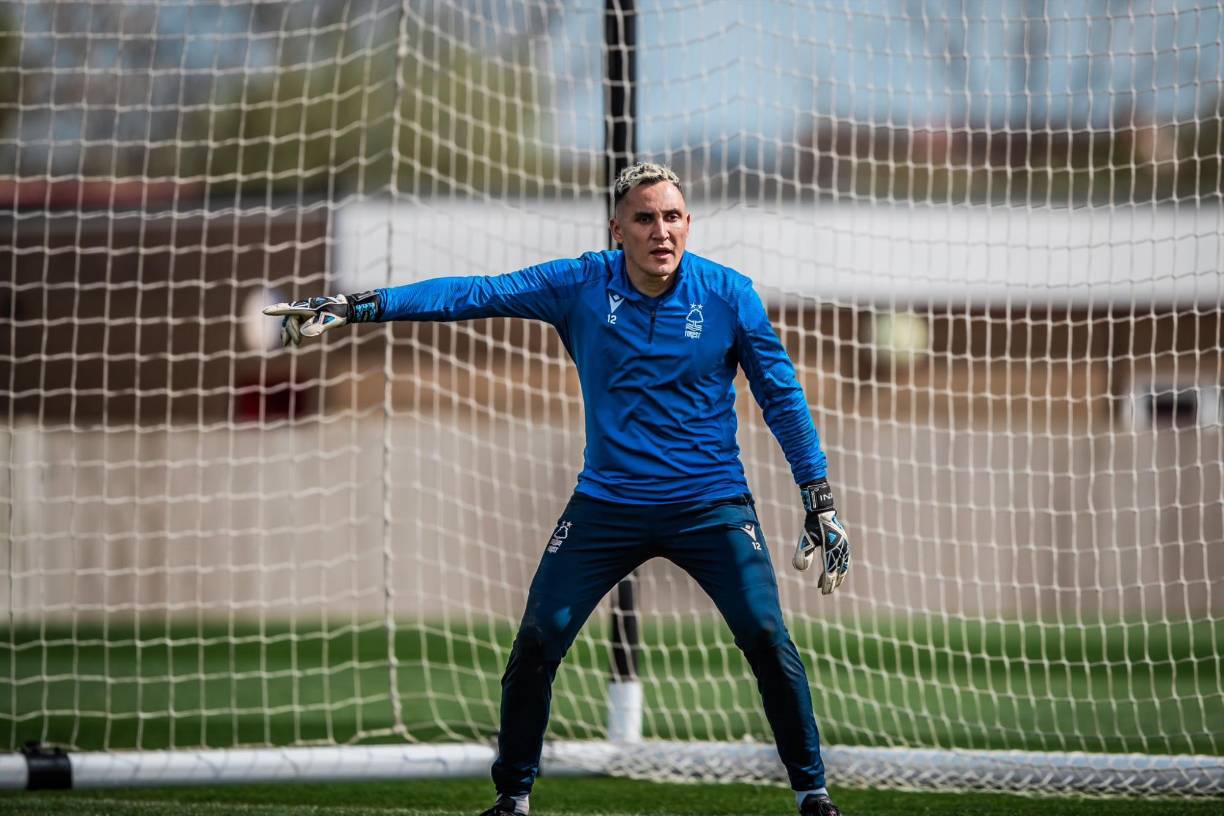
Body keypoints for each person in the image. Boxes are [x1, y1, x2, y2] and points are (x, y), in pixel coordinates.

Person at [265, 163, 851, 816]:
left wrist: (818, 496)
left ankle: (813, 792)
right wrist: (358, 306)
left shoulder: (729, 294)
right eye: (645, 218)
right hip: (606, 508)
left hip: (711, 508)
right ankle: (512, 798)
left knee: (767, 635)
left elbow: (782, 398)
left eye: (672, 217)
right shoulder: (579, 284)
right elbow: (474, 294)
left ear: (689, 224)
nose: (661, 231)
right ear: (618, 230)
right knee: (539, 639)